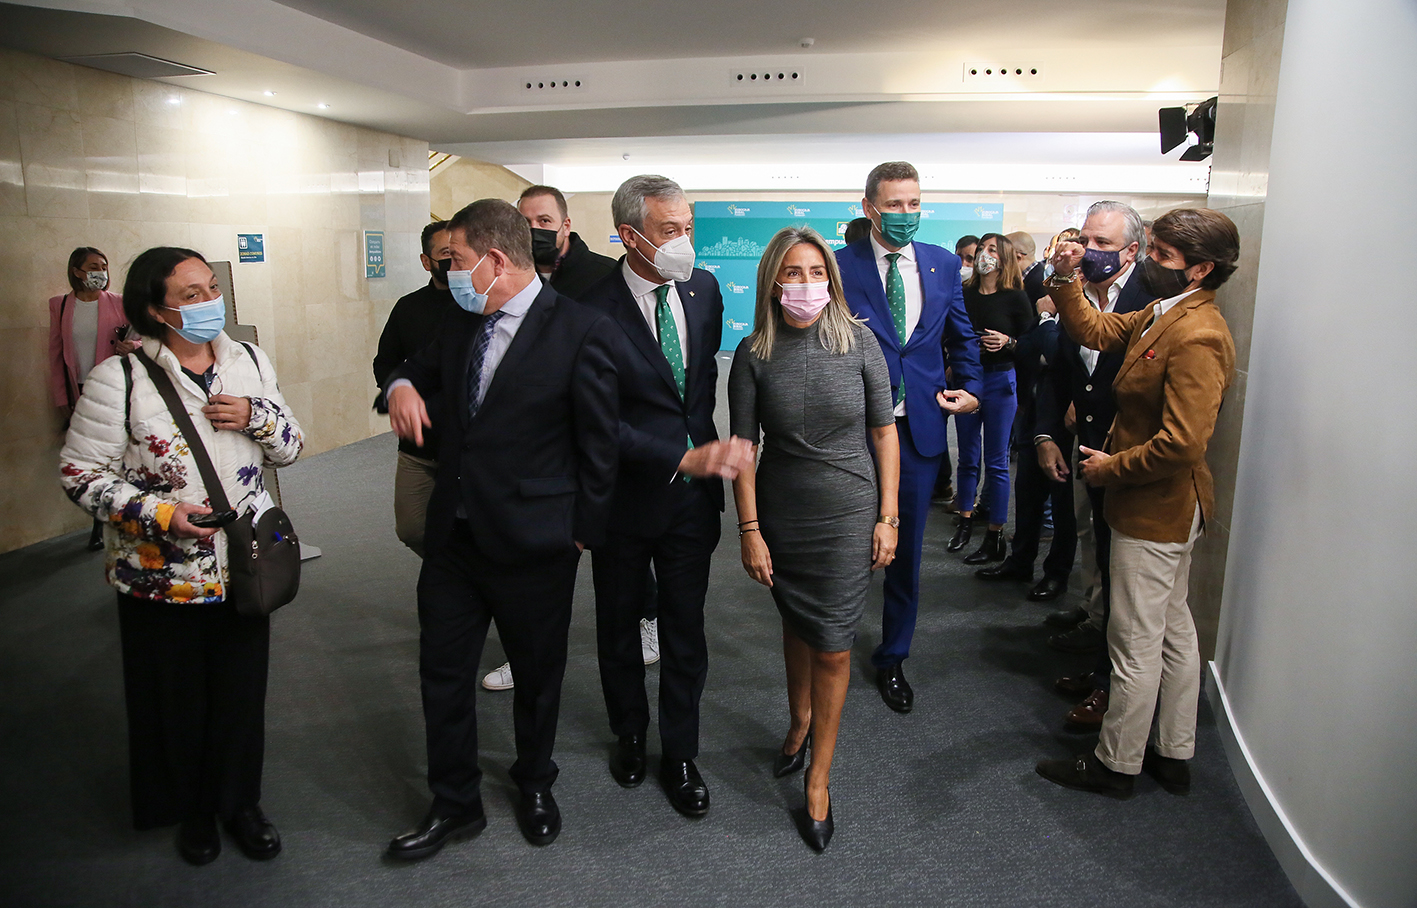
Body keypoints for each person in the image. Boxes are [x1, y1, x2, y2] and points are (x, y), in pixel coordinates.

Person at [383, 199, 619, 855]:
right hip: (454, 539)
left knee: (538, 678)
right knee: (443, 673)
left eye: (453, 260)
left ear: (491, 259)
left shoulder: (580, 330)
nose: (447, 272)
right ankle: (454, 802)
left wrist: (581, 533)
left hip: (537, 542)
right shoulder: (462, 320)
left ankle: (535, 781)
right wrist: (401, 387)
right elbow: (414, 369)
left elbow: (600, 447)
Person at [58, 246, 303, 866]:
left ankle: (240, 802)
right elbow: (80, 473)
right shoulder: (119, 379)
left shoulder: (248, 360)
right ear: (153, 309)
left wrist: (257, 417)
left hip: (244, 564)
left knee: (241, 693)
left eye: (209, 288)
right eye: (189, 295)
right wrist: (161, 514)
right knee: (174, 697)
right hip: (161, 572)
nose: (207, 302)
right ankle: (193, 808)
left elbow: (292, 446)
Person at [1035, 208, 1238, 797]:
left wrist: (1108, 467)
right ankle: (1172, 752)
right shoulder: (1165, 312)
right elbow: (1097, 333)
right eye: (1152, 250)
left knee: (1135, 641)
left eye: (1165, 257)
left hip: (1159, 507)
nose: (1150, 262)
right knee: (1173, 629)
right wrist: (1065, 280)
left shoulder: (1198, 332)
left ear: (1200, 270)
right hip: (1160, 507)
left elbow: (1183, 442)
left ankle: (1115, 762)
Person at [579, 175, 753, 818]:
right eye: (669, 230)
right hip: (622, 498)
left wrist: (702, 455)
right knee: (620, 626)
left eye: (688, 227)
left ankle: (680, 752)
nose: (684, 241)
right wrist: (675, 454)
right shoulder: (589, 307)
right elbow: (590, 419)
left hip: (692, 501)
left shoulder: (704, 290)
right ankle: (630, 732)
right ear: (630, 237)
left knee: (685, 629)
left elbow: (699, 382)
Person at [728, 227, 899, 851]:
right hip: (781, 512)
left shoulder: (860, 343)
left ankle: (819, 779)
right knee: (797, 622)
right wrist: (749, 530)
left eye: (815, 271)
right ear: (774, 281)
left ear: (831, 277)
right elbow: (743, 451)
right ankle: (798, 722)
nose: (806, 284)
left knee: (832, 644)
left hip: (849, 512)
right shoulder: (753, 353)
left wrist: (889, 517)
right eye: (792, 273)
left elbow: (885, 433)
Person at [484, 187, 649, 693]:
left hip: (600, 441)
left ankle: (645, 617)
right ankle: (522, 649)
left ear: (566, 224)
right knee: (530, 574)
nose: (535, 228)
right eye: (525, 220)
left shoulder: (601, 277)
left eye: (544, 219)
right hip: (534, 455)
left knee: (615, 561)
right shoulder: (499, 280)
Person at [836, 161, 981, 714]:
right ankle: (833, 644)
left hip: (918, 426)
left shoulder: (944, 266)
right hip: (851, 427)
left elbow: (960, 335)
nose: (905, 215)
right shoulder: (839, 266)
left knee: (905, 551)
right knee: (848, 542)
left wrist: (970, 389)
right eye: (894, 205)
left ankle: (893, 655)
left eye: (914, 204)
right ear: (870, 206)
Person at [1032, 203, 1155, 730]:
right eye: (1086, 239)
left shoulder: (1151, 300)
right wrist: (1045, 434)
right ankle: (1102, 665)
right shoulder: (1072, 290)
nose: (1089, 251)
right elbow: (1058, 372)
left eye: (1103, 243)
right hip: (1082, 446)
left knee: (1126, 581)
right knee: (1098, 557)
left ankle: (1112, 687)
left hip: (1124, 459)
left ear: (1132, 250)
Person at [948, 233, 1035, 563]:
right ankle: (965, 521)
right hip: (967, 381)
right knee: (967, 456)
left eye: (992, 250)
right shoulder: (964, 293)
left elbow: (1031, 344)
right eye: (982, 249)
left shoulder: (1015, 298)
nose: (985, 255)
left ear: (1005, 258)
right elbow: (951, 333)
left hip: (1000, 380)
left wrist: (1009, 342)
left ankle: (995, 535)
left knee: (996, 460)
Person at [372, 220, 456, 557]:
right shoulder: (408, 308)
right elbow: (385, 363)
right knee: (412, 527)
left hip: (465, 445)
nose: (454, 261)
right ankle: (450, 569)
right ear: (427, 261)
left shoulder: (481, 307)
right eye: (445, 254)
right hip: (417, 445)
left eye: (459, 252)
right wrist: (397, 391)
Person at [50, 247, 138, 550]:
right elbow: (55, 354)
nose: (100, 271)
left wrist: (135, 346)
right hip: (81, 389)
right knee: (93, 457)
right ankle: (100, 517)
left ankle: (109, 520)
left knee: (118, 453)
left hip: (115, 387)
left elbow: (144, 337)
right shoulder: (61, 306)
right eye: (92, 266)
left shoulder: (119, 303)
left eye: (103, 265)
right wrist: (61, 395)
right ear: (77, 271)